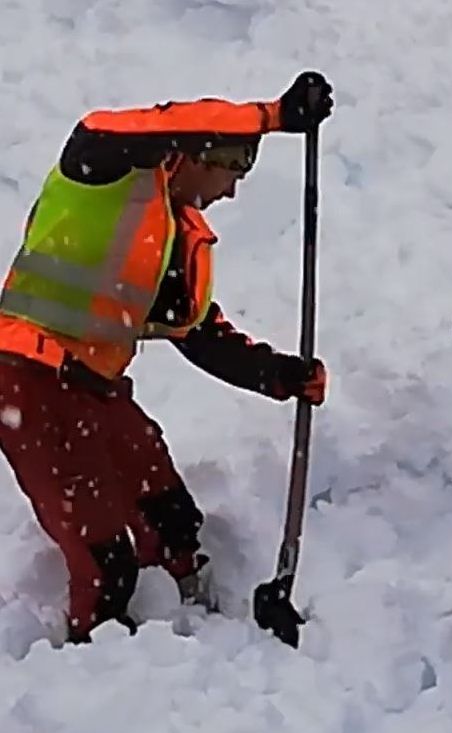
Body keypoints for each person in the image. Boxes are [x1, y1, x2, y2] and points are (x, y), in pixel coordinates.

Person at [0, 71, 333, 644]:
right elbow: (105, 125)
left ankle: (195, 626)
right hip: (26, 380)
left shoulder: (176, 241)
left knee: (169, 514)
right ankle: (96, 666)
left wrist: (282, 375)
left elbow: (201, 334)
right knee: (104, 556)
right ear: (197, 156)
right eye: (234, 170)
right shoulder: (102, 173)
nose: (232, 191)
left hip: (95, 391)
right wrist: (270, 118)